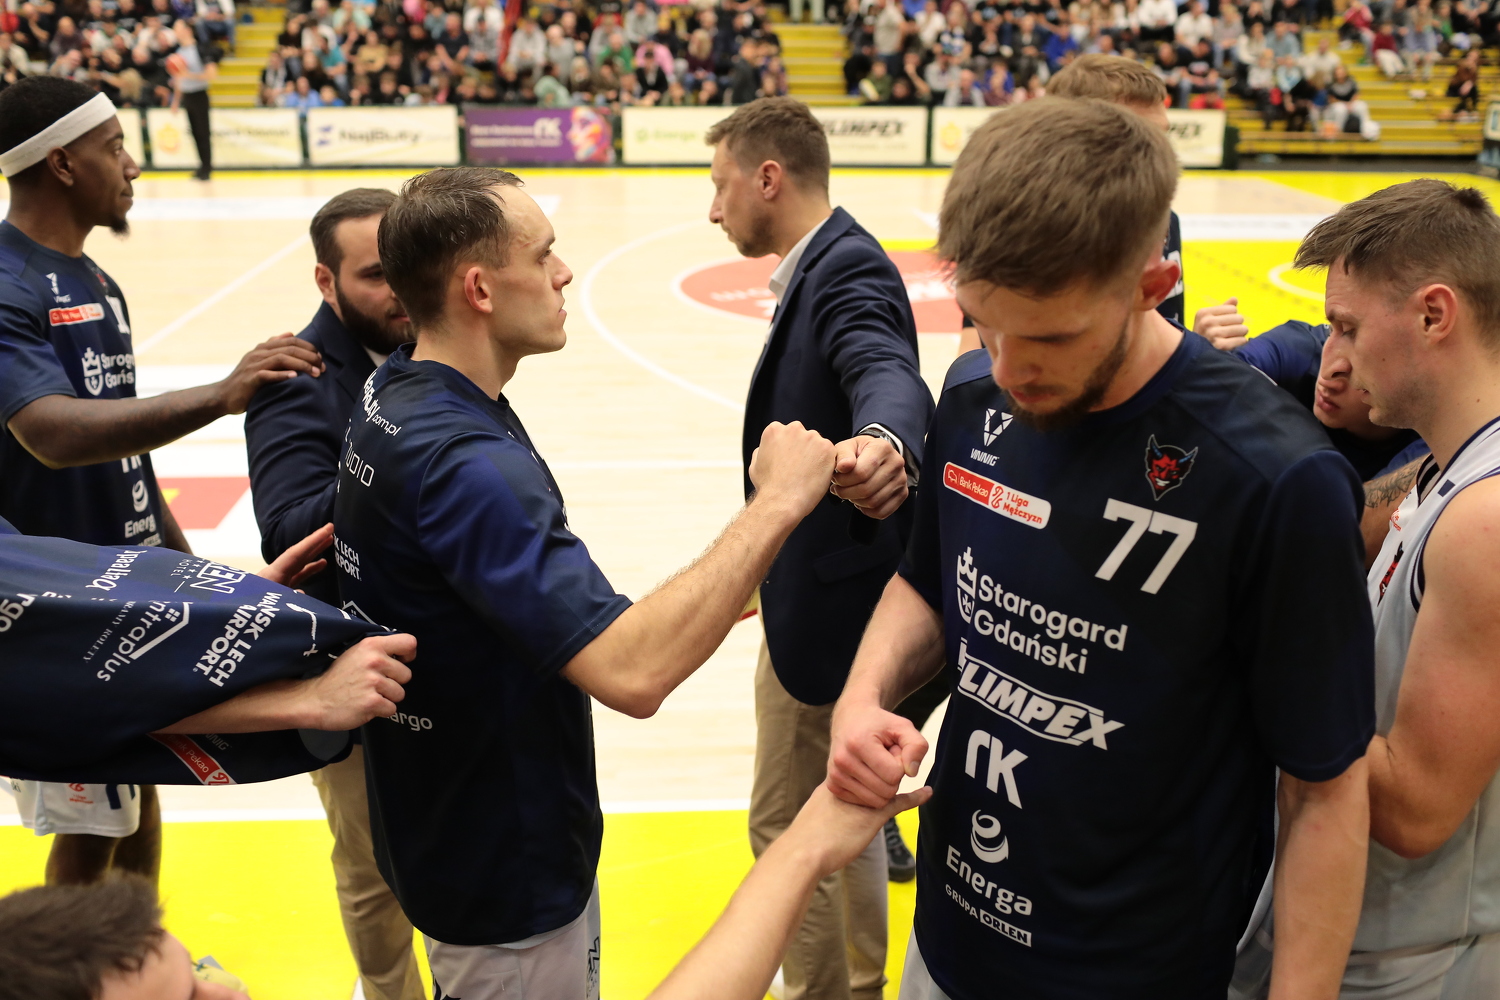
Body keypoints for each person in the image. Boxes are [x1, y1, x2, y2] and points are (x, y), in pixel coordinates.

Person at [827, 98, 1375, 1000]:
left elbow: (1324, 789)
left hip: (1138, 970)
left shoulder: (1277, 477)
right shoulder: (971, 400)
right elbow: (927, 582)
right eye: (986, 323)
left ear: (1153, 285)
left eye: (1050, 336)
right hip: (947, 941)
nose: (1008, 369)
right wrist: (862, 695)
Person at [335, 165, 838, 1000]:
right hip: (506, 876)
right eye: (543, 255)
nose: (564, 272)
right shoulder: (466, 465)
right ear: (479, 289)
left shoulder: (395, 387)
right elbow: (633, 671)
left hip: (440, 824)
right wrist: (778, 502)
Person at [0, 76, 321, 889]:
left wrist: (195, 577)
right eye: (115, 148)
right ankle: (62, 960)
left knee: (137, 796)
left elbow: (125, 460)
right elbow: (51, 434)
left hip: (117, 588)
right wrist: (220, 395)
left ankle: (141, 947)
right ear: (62, 164)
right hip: (53, 609)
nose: (133, 165)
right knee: (89, 830)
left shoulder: (96, 282)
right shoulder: (6, 283)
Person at [1233, 179, 1500, 999]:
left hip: (1421, 960)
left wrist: (1242, 652)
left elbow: (1416, 809)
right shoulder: (1442, 468)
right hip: (1372, 934)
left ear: (1433, 315)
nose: (1334, 356)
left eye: (1347, 326)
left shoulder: (1486, 522)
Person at [706, 96, 933, 1000]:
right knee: (841, 814)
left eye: (721, 186)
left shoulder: (845, 271)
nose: (714, 210)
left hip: (832, 617)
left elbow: (885, 368)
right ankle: (858, 981)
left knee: (788, 825)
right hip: (819, 592)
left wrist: (885, 440)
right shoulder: (826, 261)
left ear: (769, 177)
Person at [242, 188, 421, 1000]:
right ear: (326, 280)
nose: (400, 289)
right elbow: (287, 533)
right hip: (346, 668)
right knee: (371, 868)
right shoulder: (293, 379)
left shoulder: (429, 348)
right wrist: (397, 451)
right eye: (376, 275)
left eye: (406, 266)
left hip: (441, 656)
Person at [166, 18, 215, 180]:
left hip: (199, 94)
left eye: (177, 28)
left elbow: (212, 74)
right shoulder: (179, 52)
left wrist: (189, 75)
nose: (175, 32)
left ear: (187, 30)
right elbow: (178, 79)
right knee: (194, 132)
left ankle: (207, 167)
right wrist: (175, 101)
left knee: (203, 132)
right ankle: (201, 165)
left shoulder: (200, 48)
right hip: (187, 96)